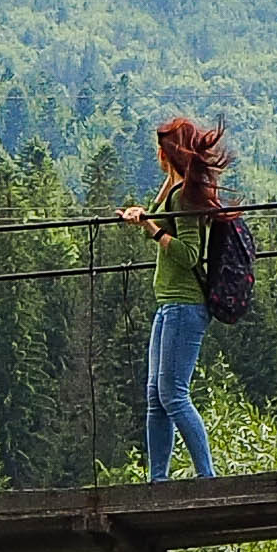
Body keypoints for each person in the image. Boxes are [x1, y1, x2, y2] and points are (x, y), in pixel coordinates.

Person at [117, 115, 224, 480]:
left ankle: (206, 476)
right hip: (169, 306)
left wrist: (148, 227)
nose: (156, 155)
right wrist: (150, 209)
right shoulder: (176, 190)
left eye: (160, 149)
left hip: (185, 305)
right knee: (155, 396)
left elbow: (189, 253)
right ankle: (157, 480)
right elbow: (162, 216)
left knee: (173, 394)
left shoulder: (186, 197)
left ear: (170, 152)